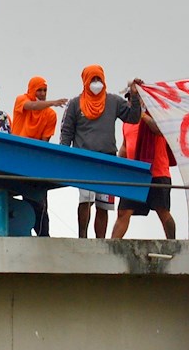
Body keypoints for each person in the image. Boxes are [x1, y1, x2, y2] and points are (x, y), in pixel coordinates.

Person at [59, 65, 145, 238]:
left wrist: (135, 94)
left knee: (103, 205)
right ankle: (82, 237)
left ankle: (101, 241)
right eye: (93, 80)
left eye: (99, 79)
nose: (96, 83)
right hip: (84, 160)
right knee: (86, 200)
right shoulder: (75, 103)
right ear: (85, 81)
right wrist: (63, 158)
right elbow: (66, 132)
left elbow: (134, 117)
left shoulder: (113, 101)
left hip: (107, 161)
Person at [11, 76, 65, 237]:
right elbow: (32, 105)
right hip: (16, 157)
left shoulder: (50, 115)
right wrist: (52, 102)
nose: (42, 93)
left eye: (44, 90)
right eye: (39, 90)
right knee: (11, 193)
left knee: (39, 202)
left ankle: (43, 235)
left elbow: (44, 141)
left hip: (34, 160)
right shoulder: (21, 100)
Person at [112, 112, 176, 239]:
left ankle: (173, 244)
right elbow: (125, 146)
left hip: (157, 172)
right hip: (135, 174)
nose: (132, 101)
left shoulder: (158, 115)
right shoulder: (127, 122)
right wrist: (117, 166)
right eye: (130, 98)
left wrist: (143, 115)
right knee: (123, 212)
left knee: (162, 210)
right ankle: (110, 245)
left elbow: (158, 130)